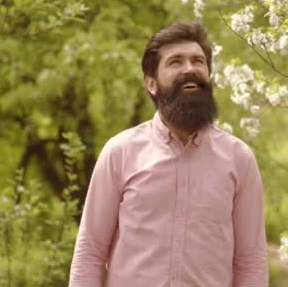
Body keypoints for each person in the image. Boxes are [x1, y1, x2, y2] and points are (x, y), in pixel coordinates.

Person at [69, 21, 268, 286]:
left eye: (198, 61)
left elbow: (251, 261)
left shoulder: (239, 158)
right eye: (176, 62)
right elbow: (90, 253)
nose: (190, 68)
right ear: (151, 83)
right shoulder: (120, 153)